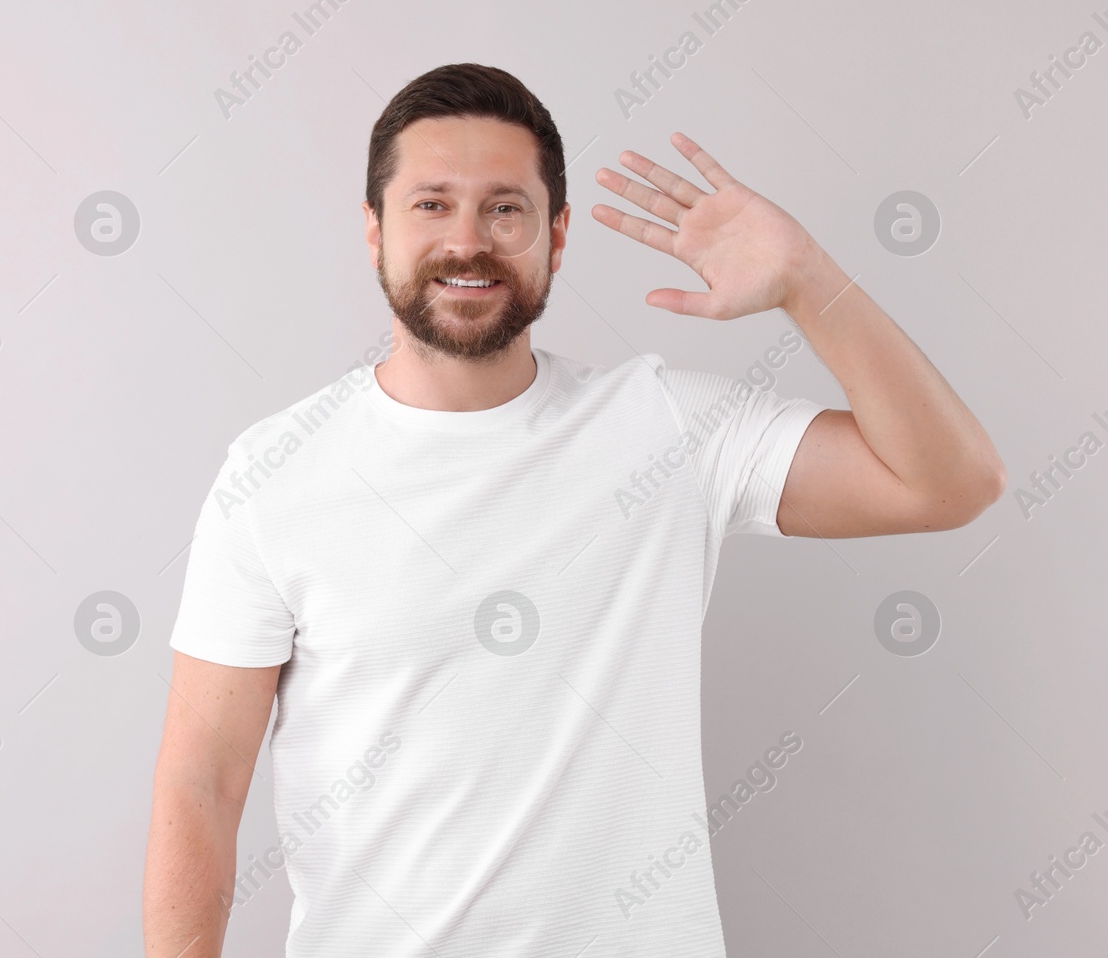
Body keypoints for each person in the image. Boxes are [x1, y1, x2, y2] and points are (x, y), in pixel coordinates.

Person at [143, 63, 1004, 957]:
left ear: (557, 236)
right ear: (374, 230)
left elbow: (949, 481)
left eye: (505, 209)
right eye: (431, 205)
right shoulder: (277, 474)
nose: (467, 241)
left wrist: (806, 281)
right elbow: (201, 783)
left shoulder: (670, 429)